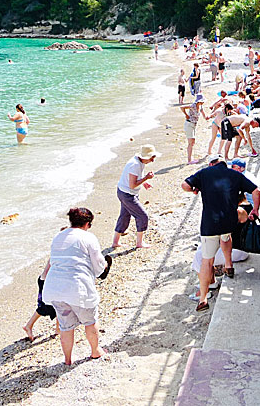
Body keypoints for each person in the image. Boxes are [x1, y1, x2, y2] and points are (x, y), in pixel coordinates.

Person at [182, 157, 260, 311]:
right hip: (228, 223)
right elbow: (256, 190)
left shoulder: (204, 173)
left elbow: (185, 185)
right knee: (226, 236)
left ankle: (203, 298)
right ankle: (228, 265)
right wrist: (256, 209)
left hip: (210, 225)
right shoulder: (235, 176)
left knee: (206, 260)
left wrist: (193, 190)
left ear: (211, 165)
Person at [42, 208, 107, 364]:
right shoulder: (88, 237)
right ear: (87, 224)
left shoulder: (58, 237)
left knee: (66, 327)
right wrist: (103, 268)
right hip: (79, 288)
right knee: (90, 322)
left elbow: (53, 261)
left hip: (55, 288)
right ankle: (95, 351)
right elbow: (98, 266)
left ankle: (68, 360)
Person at [112, 144, 158, 249]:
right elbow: (132, 185)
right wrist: (146, 178)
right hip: (127, 195)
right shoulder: (135, 164)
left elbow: (134, 178)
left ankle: (115, 242)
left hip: (124, 192)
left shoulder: (139, 161)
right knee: (142, 216)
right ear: (146, 157)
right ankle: (139, 243)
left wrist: (143, 182)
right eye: (152, 158)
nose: (152, 160)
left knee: (124, 216)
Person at [22, 261, 58, 341]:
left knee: (59, 305)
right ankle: (28, 325)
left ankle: (58, 330)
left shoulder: (60, 250)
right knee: (46, 307)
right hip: (46, 282)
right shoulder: (59, 252)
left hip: (49, 280)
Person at [180, 94, 207, 164]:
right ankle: (189, 160)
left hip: (193, 125)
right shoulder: (193, 105)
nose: (203, 102)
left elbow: (204, 115)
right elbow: (182, 107)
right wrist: (186, 115)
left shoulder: (200, 107)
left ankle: (190, 158)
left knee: (192, 142)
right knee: (190, 142)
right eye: (202, 101)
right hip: (189, 124)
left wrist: (208, 117)